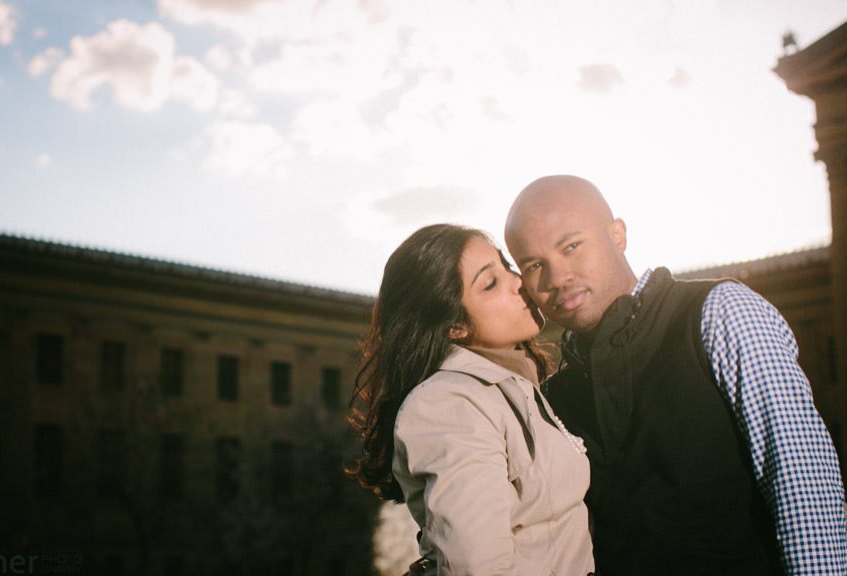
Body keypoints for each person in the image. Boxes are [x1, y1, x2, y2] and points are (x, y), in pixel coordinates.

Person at [503, 174, 847, 576]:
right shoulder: (555, 396)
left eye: (572, 246)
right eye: (535, 264)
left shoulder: (720, 313)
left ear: (617, 235)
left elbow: (802, 486)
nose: (557, 278)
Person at [348, 223, 594, 575]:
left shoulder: (508, 389)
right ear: (455, 327)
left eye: (507, 266)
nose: (518, 280)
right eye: (490, 282)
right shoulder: (449, 404)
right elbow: (476, 568)